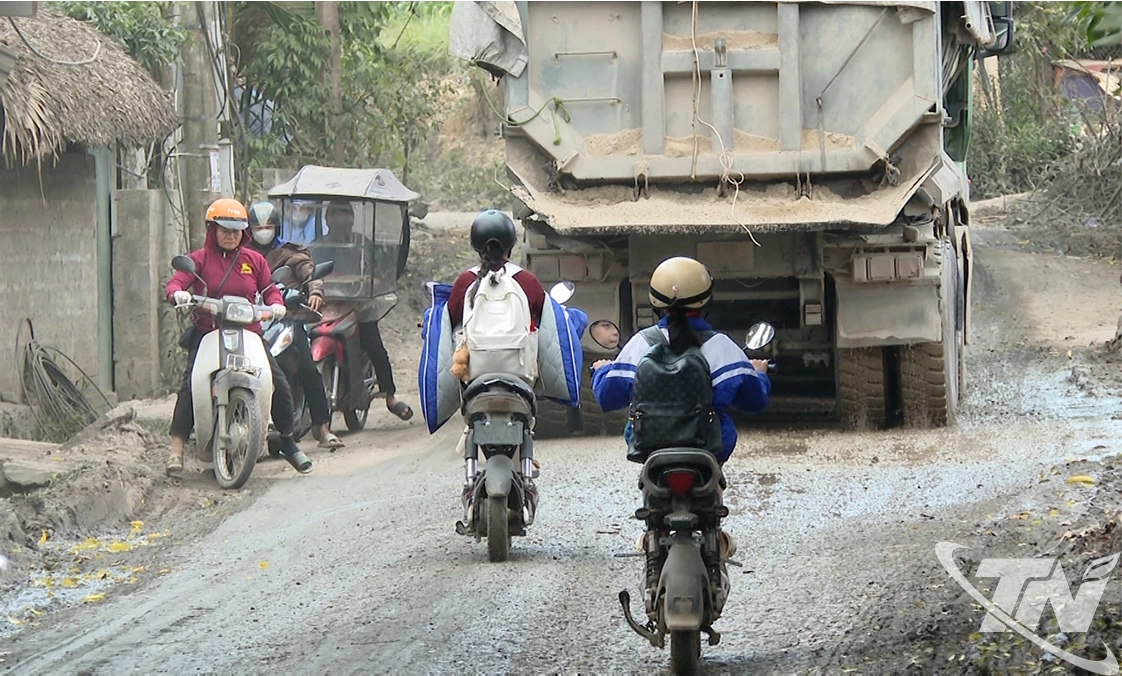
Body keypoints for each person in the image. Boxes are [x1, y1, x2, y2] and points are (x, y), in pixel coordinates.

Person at [589, 256, 770, 611]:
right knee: (714, 478)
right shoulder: (720, 346)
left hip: (653, 453)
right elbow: (754, 400)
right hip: (705, 451)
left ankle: (652, 533)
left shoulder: (642, 343)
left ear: (653, 299)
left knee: (650, 498)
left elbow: (607, 396)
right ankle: (714, 532)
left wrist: (602, 370)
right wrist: (759, 373)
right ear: (706, 299)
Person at [165, 198, 313, 475]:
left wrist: (276, 304)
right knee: (190, 383)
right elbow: (176, 282)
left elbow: (268, 288)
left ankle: (289, 442)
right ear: (212, 229)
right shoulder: (198, 260)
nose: (231, 235)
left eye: (237, 230)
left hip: (248, 332)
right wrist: (177, 293)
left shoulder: (253, 260)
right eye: (225, 229)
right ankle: (176, 449)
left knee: (276, 381)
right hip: (208, 330)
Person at [247, 201, 344, 451]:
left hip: (288, 318)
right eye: (258, 226)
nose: (263, 231)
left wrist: (315, 291)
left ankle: (322, 428)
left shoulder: (291, 252)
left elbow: (309, 272)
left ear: (277, 227)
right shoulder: (242, 253)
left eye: (268, 226)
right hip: (250, 320)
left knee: (307, 368)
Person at [323, 199, 414, 422]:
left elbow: (378, 271)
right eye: (335, 214)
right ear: (326, 219)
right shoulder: (318, 246)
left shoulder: (363, 245)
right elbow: (308, 271)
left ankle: (390, 396)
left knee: (375, 347)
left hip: (358, 307)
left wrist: (372, 280)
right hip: (326, 307)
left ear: (353, 218)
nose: (340, 219)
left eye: (345, 214)